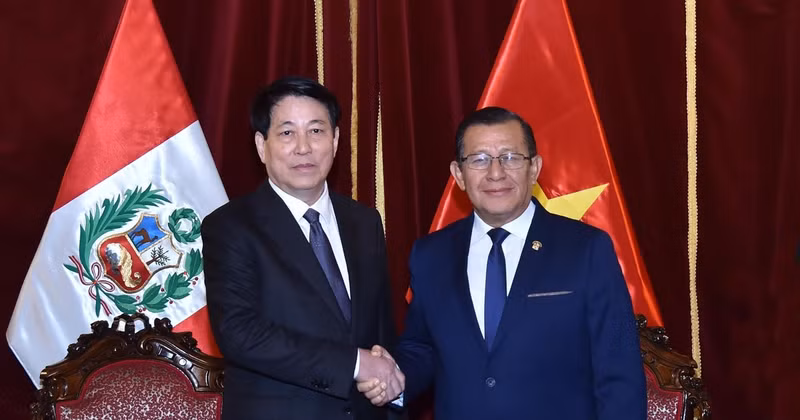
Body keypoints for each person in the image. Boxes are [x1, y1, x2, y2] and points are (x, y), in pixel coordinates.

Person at [360, 107, 646, 419]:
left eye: (510, 157)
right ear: (458, 174)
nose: (496, 173)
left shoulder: (587, 249)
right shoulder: (431, 255)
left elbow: (620, 370)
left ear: (534, 168)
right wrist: (392, 377)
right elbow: (423, 348)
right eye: (479, 159)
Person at [202, 76, 403, 420]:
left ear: (336, 139)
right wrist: (355, 364)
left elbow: (381, 328)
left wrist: (389, 385)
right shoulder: (230, 226)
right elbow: (240, 333)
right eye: (286, 133)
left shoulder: (364, 222)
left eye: (316, 131)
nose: (303, 148)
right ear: (261, 145)